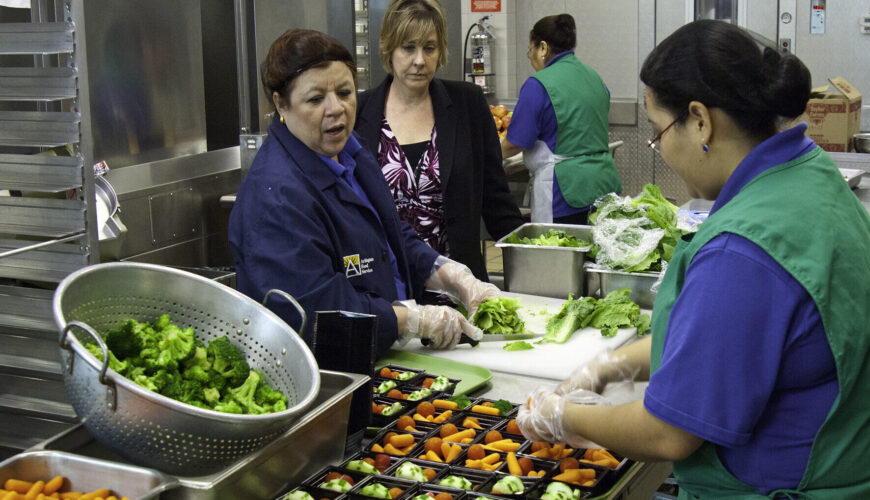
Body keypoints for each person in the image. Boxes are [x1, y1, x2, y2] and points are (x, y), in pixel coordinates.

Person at [517, 20, 870, 498]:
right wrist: (608, 367)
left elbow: (669, 432)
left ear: (701, 120)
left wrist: (562, 416)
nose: (661, 148)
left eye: (659, 131)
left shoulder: (746, 249)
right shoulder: (808, 174)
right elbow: (721, 339)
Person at [229, 29, 500, 358]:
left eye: (345, 92)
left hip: (382, 353)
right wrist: (410, 319)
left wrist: (448, 274)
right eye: (315, 99)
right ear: (280, 103)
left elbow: (388, 231)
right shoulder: (276, 199)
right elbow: (318, 313)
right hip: (333, 377)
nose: (336, 109)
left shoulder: (349, 152)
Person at [355, 0, 523, 281]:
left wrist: (535, 255)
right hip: (386, 291)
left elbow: (497, 202)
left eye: (429, 48)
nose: (419, 60)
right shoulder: (360, 112)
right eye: (408, 47)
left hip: (458, 288)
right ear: (389, 48)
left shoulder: (467, 105)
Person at [500, 14, 621, 225]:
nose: (531, 58)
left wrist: (487, 153)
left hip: (564, 192)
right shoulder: (594, 77)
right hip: (604, 186)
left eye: (531, 51)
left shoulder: (538, 84)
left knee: (562, 254)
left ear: (543, 48)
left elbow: (515, 143)